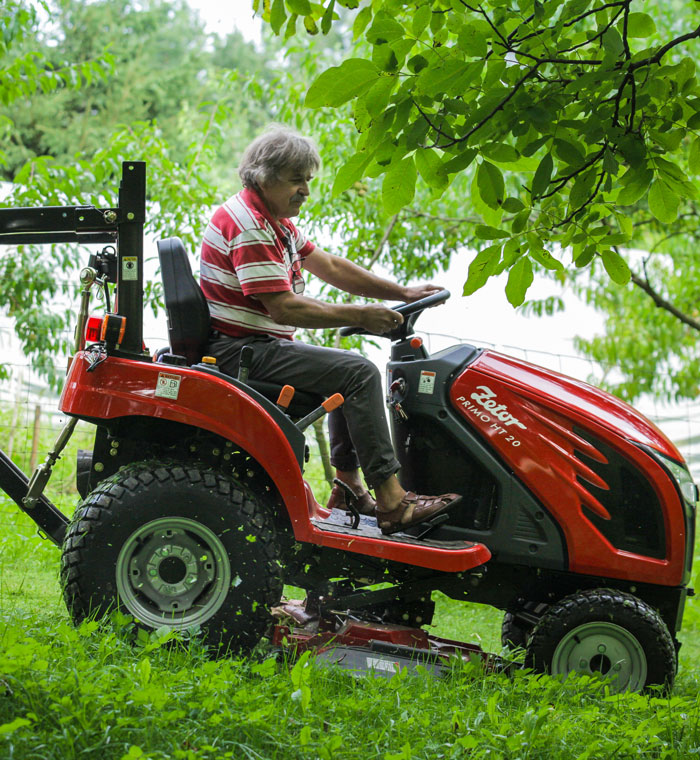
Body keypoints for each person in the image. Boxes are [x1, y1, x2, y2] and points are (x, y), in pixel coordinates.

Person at [200, 126, 460, 535]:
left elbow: (332, 267)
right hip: (243, 350)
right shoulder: (248, 225)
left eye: (308, 180)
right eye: (296, 180)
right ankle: (392, 501)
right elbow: (284, 308)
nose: (305, 190)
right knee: (358, 373)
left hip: (255, 343)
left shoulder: (274, 221)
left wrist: (402, 292)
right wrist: (359, 316)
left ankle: (348, 485)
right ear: (264, 177)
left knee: (344, 371)